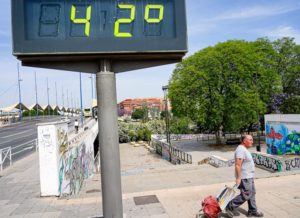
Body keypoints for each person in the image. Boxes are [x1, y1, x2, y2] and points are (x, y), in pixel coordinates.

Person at [226, 135, 264, 217]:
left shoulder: (244, 149)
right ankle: (229, 206)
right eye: (250, 140)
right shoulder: (240, 150)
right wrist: (238, 178)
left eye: (252, 140)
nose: (252, 142)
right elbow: (238, 165)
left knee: (252, 193)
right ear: (244, 141)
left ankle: (252, 210)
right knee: (246, 194)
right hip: (244, 177)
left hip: (249, 176)